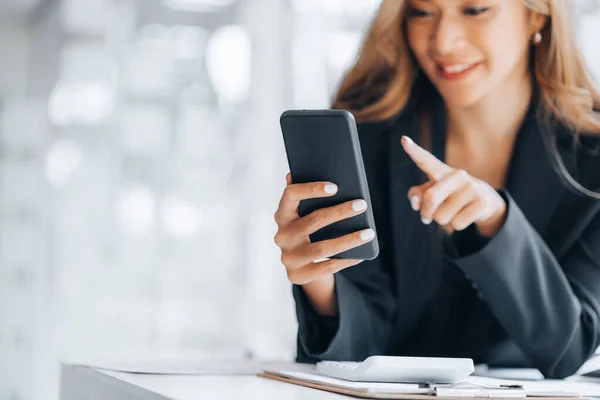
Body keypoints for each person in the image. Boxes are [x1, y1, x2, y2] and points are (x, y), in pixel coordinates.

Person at [273, 0, 600, 379]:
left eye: (476, 10)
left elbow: (571, 345)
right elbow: (360, 350)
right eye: (422, 12)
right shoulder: (371, 138)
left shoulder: (592, 165)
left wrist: (496, 222)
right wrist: (320, 277)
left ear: (536, 15)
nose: (443, 42)